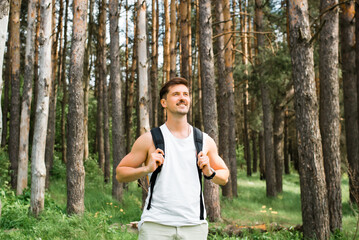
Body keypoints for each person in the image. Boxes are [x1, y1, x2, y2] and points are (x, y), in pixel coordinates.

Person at [116, 77, 229, 240]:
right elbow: (120, 173)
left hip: (194, 226)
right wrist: (146, 169)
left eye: (186, 94)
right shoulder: (150, 139)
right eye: (176, 94)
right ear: (164, 102)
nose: (182, 98)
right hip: (156, 225)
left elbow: (224, 177)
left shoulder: (204, 140)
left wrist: (210, 172)